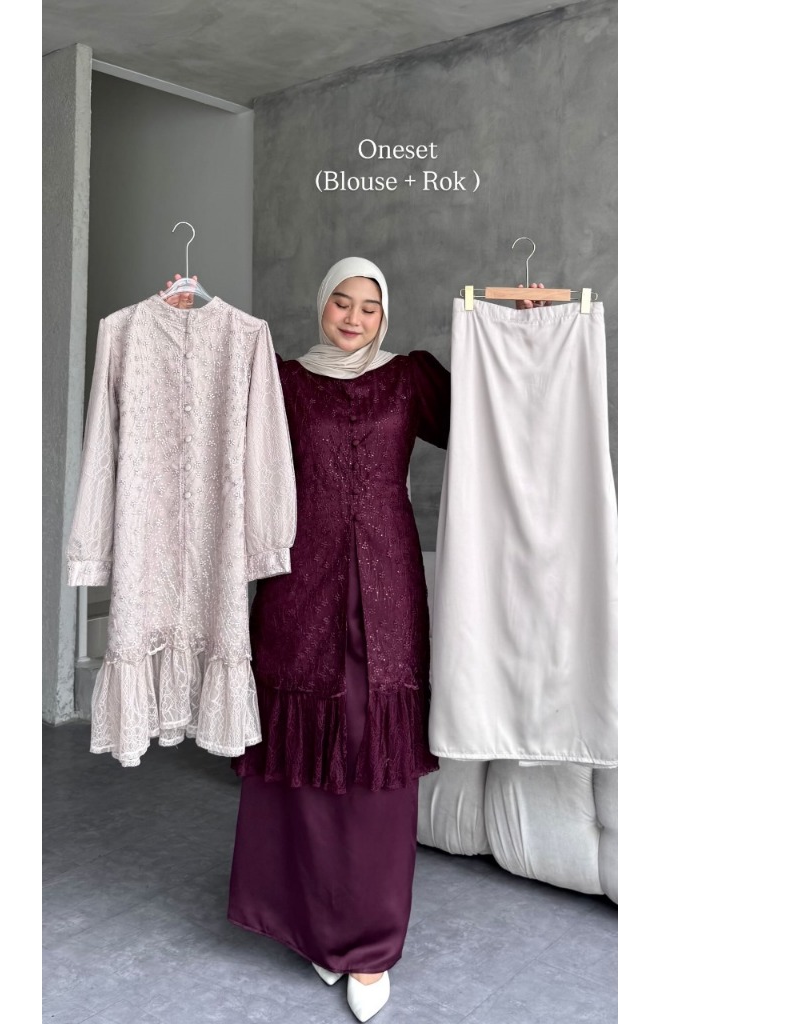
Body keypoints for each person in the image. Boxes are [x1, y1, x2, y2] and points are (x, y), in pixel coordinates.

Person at [161, 260, 547, 1022]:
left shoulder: (408, 380)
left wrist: (522, 330)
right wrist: (195, 307)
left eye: (369, 306)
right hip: (298, 592)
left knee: (378, 765)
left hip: (388, 599)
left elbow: (491, 412)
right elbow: (213, 385)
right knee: (302, 762)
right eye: (342, 301)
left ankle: (370, 945)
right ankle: (313, 925)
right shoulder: (282, 381)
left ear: (384, 317)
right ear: (322, 305)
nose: (354, 316)